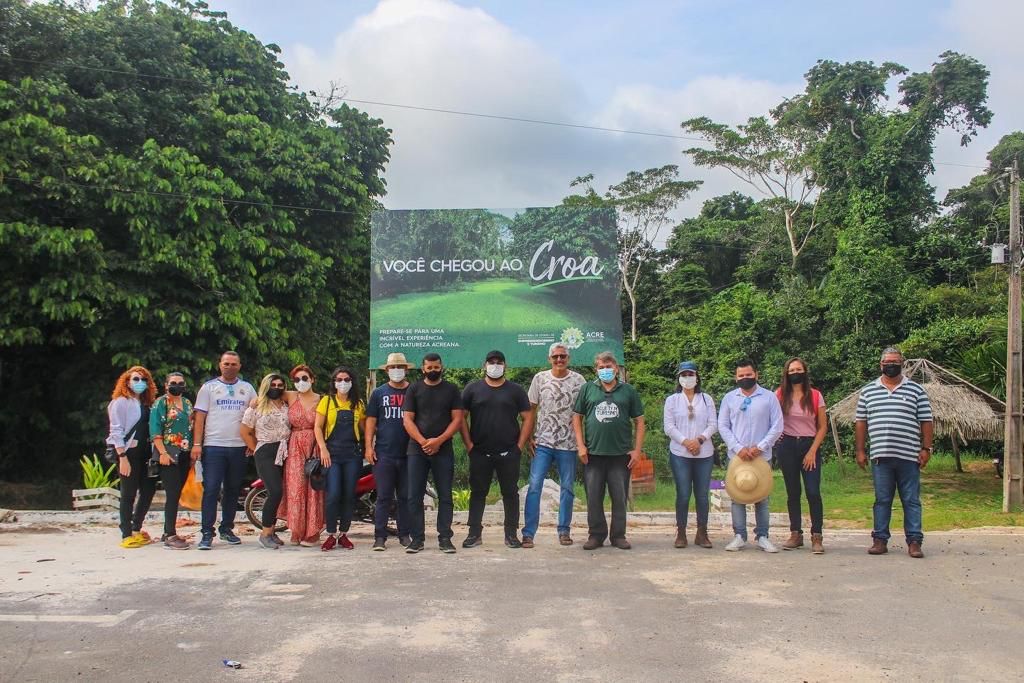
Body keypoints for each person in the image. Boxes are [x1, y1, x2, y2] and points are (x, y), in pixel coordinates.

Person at [856, 347, 933, 559]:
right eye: (887, 362)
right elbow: (861, 422)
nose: (891, 365)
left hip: (909, 456)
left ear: (902, 363)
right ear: (881, 365)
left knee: (911, 500)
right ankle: (880, 540)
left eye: (895, 362)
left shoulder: (916, 390)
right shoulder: (868, 391)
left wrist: (926, 448)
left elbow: (926, 420)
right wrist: (860, 450)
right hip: (880, 456)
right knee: (882, 500)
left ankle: (914, 542)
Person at [572, 352, 645, 550]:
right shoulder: (588, 389)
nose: (605, 370)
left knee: (619, 498)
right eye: (601, 367)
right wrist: (580, 445)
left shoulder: (628, 391)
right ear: (596, 369)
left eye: (609, 366)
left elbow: (639, 421)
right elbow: (576, 417)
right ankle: (596, 535)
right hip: (593, 455)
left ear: (616, 368)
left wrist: (637, 450)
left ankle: (618, 536)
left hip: (620, 455)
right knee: (594, 497)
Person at [460, 350, 532, 549]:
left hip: (508, 452)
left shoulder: (515, 390)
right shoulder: (472, 389)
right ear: (484, 365)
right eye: (491, 362)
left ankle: (511, 534)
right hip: (479, 452)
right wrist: (469, 445)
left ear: (505, 366)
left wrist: (519, 446)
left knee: (510, 493)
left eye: (499, 362)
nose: (495, 365)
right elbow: (461, 417)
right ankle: (474, 533)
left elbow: (528, 418)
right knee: (477, 493)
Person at [521, 342, 586, 548]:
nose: (559, 359)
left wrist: (582, 443)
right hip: (543, 442)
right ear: (549, 358)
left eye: (563, 356)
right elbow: (530, 410)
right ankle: (528, 533)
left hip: (569, 444)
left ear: (568, 358)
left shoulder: (579, 381)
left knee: (567, 488)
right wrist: (529, 437)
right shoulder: (540, 378)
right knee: (534, 486)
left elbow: (582, 414)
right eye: (555, 356)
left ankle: (564, 531)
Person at [191, 351, 256, 550]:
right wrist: (197, 444)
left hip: (238, 447)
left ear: (239, 366)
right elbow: (200, 418)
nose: (230, 367)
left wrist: (252, 442)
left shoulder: (247, 388)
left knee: (232, 489)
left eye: (234, 364)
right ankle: (206, 532)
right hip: (214, 446)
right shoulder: (209, 388)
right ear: (220, 365)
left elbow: (255, 415)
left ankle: (227, 529)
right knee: (211, 489)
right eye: (226, 363)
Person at [718, 359, 784, 553]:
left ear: (756, 374)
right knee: (737, 495)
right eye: (741, 375)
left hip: (761, 457)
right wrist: (738, 447)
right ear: (736, 377)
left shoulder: (769, 397)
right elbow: (723, 425)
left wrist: (761, 446)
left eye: (748, 374)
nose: (745, 378)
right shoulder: (729, 398)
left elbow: (777, 425)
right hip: (737, 457)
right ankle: (739, 536)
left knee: (762, 497)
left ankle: (763, 536)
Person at [403, 352, 462, 554]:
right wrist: (423, 442)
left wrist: (439, 441)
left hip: (443, 448)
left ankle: (445, 538)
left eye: (436, 367)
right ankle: (417, 539)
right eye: (429, 367)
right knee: (414, 496)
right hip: (416, 449)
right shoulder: (414, 389)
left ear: (441, 367)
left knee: (445, 495)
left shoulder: (452, 389)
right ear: (423, 369)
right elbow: (407, 420)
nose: (433, 370)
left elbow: (457, 419)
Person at [775, 357, 828, 554]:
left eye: (798, 369)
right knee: (793, 491)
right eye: (791, 370)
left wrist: (812, 451)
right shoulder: (779, 395)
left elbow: (822, 426)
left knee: (813, 491)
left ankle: (817, 535)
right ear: (786, 373)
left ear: (805, 372)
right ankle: (795, 533)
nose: (795, 373)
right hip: (787, 445)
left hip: (809, 444)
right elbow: (772, 420)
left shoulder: (815, 395)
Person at [663, 361, 717, 549]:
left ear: (697, 377)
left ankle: (702, 533)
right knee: (684, 494)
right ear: (679, 378)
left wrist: (699, 440)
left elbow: (713, 424)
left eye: (691, 374)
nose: (687, 378)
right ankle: (681, 532)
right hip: (680, 453)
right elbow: (669, 427)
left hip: (704, 453)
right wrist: (687, 442)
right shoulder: (672, 400)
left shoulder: (706, 399)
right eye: (684, 375)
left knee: (702, 495)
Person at [365, 353, 414, 551]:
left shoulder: (414, 391)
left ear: (406, 369)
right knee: (383, 497)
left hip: (410, 453)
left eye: (400, 367)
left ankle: (405, 535)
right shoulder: (379, 393)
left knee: (405, 497)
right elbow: (371, 421)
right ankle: (380, 537)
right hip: (384, 452)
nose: (396, 371)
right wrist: (368, 446)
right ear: (386, 370)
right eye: (393, 367)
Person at [314, 366, 366, 551]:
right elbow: (317, 427)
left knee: (349, 495)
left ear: (352, 382)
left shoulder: (358, 404)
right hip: (332, 455)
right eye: (339, 380)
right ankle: (330, 534)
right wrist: (323, 449)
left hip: (352, 455)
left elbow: (365, 428)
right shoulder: (326, 402)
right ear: (334, 382)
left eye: (346, 380)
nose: (343, 383)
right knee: (333, 494)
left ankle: (343, 534)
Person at [107, 366, 158, 548]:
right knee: (128, 493)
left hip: (147, 454)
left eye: (144, 380)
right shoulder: (120, 402)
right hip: (129, 453)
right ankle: (126, 533)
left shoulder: (149, 404)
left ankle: (137, 527)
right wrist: (122, 456)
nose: (140, 383)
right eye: (136, 379)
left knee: (148, 491)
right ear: (127, 382)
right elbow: (116, 430)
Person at [241, 374, 291, 550]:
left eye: (280, 385)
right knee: (275, 491)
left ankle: (272, 530)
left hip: (284, 450)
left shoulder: (286, 405)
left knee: (281, 492)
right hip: (265, 450)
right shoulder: (257, 406)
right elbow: (245, 431)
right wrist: (256, 449)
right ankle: (265, 533)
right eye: (273, 385)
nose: (276, 388)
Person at [280, 364, 324, 546]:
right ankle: (296, 529)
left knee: (314, 488)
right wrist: (255, 400)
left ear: (312, 379)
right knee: (295, 487)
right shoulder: (291, 396)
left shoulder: (322, 399)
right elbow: (268, 394)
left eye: (304, 378)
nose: (301, 382)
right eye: (297, 379)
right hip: (295, 445)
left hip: (315, 444)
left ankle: (313, 531)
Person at [149, 372, 194, 550]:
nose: (177, 386)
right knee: (172, 493)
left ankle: (167, 531)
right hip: (168, 453)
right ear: (166, 385)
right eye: (173, 383)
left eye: (180, 383)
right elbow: (155, 430)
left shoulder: (187, 403)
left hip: (184, 453)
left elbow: (190, 427)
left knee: (177, 493)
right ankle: (170, 534)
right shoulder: (161, 403)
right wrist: (162, 452)